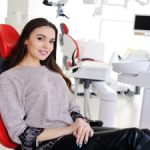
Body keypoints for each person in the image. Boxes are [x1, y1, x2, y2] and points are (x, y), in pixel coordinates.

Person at [0, 18, 150, 150]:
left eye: (51, 41)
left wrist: (80, 121)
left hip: (72, 131)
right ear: (26, 40)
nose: (47, 46)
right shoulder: (9, 78)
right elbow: (20, 134)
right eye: (40, 38)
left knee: (144, 133)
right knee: (133, 137)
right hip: (48, 143)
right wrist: (69, 129)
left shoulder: (53, 72)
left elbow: (72, 107)